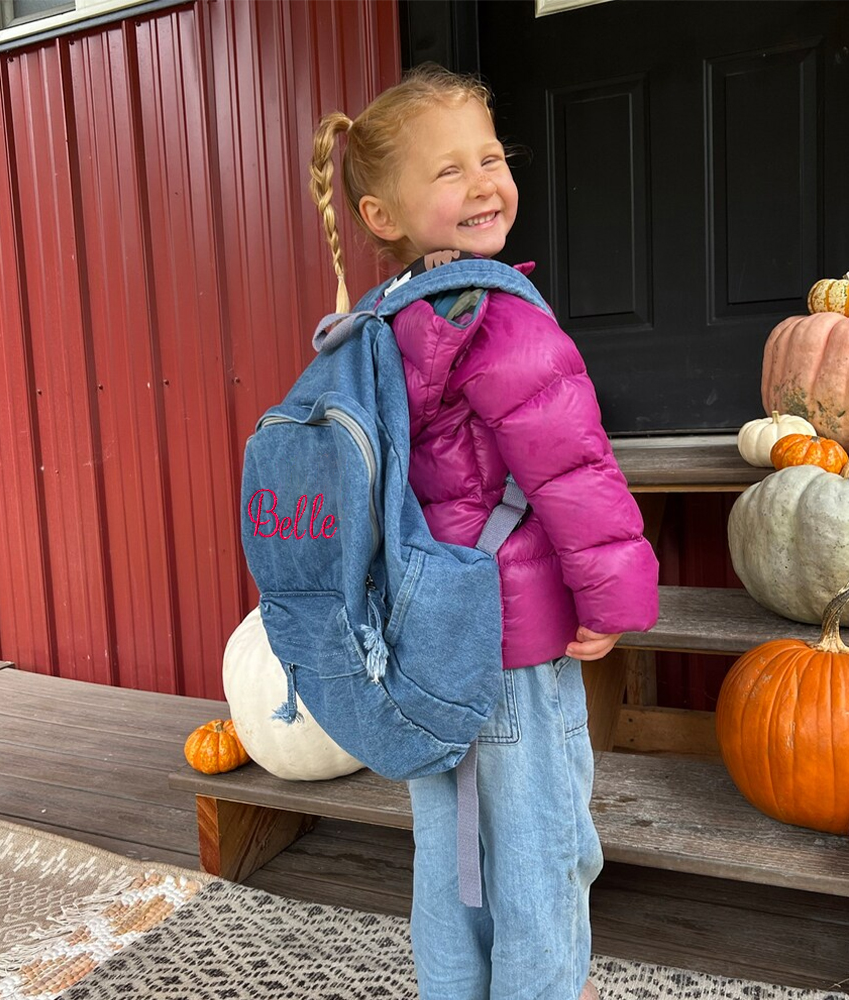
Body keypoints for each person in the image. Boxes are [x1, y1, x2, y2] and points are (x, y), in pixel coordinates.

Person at [308, 62, 659, 1000]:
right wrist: (615, 597)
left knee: (452, 863)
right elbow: (572, 468)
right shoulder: (498, 313)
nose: (483, 182)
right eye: (449, 170)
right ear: (383, 215)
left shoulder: (379, 328)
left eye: (491, 158)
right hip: (510, 642)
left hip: (425, 641)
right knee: (539, 857)